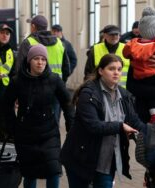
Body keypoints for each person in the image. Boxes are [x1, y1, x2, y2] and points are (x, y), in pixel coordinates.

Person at [61, 54, 146, 188]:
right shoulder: (88, 94)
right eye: (111, 69)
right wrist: (120, 126)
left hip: (107, 162)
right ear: (101, 71)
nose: (116, 73)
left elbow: (134, 120)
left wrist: (151, 132)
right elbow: (93, 125)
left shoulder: (124, 94)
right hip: (81, 158)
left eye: (119, 69)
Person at [3, 44, 75, 188]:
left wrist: (70, 127)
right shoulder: (18, 81)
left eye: (43, 59)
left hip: (49, 133)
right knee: (30, 173)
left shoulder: (54, 79)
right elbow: (5, 106)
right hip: (25, 134)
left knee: (54, 170)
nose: (40, 62)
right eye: (36, 59)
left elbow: (68, 103)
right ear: (29, 60)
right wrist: (12, 128)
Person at [16, 15, 71, 82]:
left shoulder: (28, 42)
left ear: (33, 26)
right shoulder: (59, 43)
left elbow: (19, 69)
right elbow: (66, 69)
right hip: (56, 85)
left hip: (34, 86)